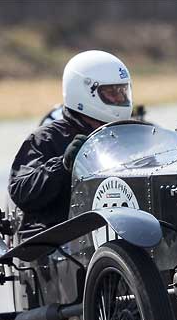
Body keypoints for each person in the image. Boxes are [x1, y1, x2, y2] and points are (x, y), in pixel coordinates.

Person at [9, 50, 133, 230]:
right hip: (62, 238)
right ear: (84, 91)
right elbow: (21, 192)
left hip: (123, 228)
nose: (121, 99)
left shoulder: (130, 133)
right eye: (112, 92)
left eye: (123, 91)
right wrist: (62, 166)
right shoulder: (47, 138)